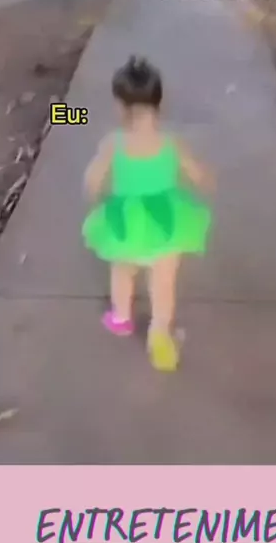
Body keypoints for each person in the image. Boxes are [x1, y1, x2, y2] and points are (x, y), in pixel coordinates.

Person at [82, 56, 214, 372]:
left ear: (120, 107)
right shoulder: (172, 143)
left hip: (126, 222)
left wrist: (97, 198)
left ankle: (121, 318)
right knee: (163, 285)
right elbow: (198, 175)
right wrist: (205, 183)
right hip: (166, 221)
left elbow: (92, 180)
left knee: (122, 271)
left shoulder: (113, 143)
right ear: (159, 104)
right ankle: (159, 336)